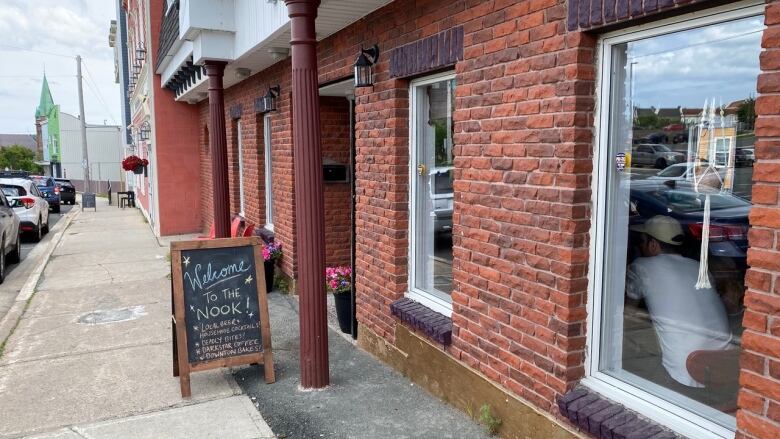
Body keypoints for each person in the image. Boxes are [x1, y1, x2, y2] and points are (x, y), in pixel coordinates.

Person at [626, 215, 732, 388]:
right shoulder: (699, 267)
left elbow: (627, 315)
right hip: (725, 367)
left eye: (642, 241)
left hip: (685, 374)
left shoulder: (641, 267)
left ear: (653, 245)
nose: (639, 245)